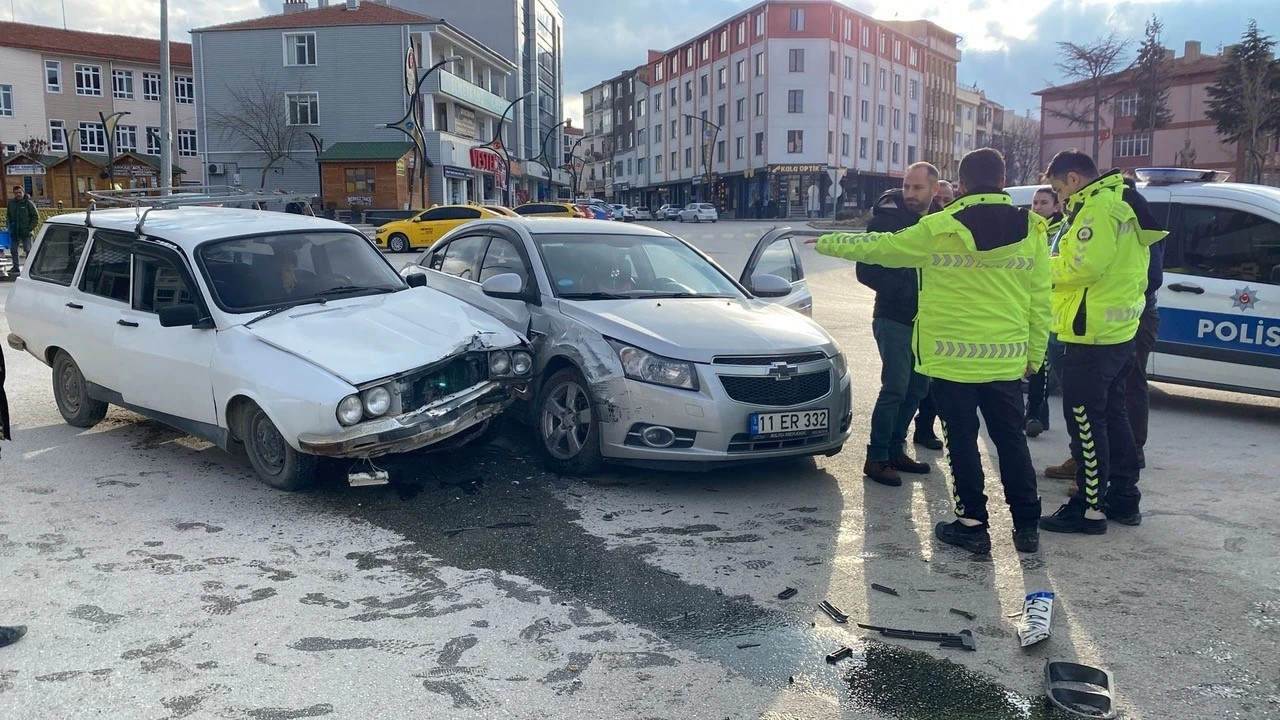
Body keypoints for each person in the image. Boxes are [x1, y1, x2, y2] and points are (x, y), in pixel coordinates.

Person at [811, 148, 1051, 554]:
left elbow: (881, 249)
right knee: (1011, 441)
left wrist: (828, 243)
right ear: (1003, 180)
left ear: (960, 185)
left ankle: (972, 523)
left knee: (961, 441)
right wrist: (1036, 353)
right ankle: (1027, 525)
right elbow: (1041, 298)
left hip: (953, 359)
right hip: (1006, 360)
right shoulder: (1033, 228)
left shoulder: (940, 226)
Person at [1037, 150, 1166, 536]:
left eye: (1058, 188)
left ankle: (1089, 508)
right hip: (1118, 329)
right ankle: (1124, 499)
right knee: (1113, 416)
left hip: (1092, 332)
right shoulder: (1124, 200)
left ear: (1074, 178)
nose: (1058, 197)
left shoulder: (1097, 209)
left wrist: (1037, 266)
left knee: (1085, 422)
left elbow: (1081, 267)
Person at [851, 162, 941, 486]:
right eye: (907, 186)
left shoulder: (935, 221)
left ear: (934, 189)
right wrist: (907, 291)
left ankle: (895, 449)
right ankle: (876, 458)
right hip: (893, 316)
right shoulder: (886, 220)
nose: (910, 194)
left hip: (925, 321)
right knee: (896, 386)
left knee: (918, 387)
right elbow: (867, 270)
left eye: (917, 188)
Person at [1024, 187, 1065, 438]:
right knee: (1036, 363)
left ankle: (1035, 414)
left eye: (1044, 202)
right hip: (1029, 300)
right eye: (1035, 203)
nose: (1038, 207)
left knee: (1042, 363)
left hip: (1053, 303)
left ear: (1056, 206)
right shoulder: (1029, 229)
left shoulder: (1061, 231)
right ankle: (1037, 413)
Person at [6, 185, 39, 277]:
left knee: (28, 250)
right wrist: (9, 226)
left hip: (26, 232)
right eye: (16, 193)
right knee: (13, 249)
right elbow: (8, 215)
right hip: (15, 231)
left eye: (19, 192)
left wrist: (29, 228)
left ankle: (30, 268)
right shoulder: (11, 203)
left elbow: (35, 216)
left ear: (23, 192)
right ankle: (16, 267)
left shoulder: (28, 203)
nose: (18, 194)